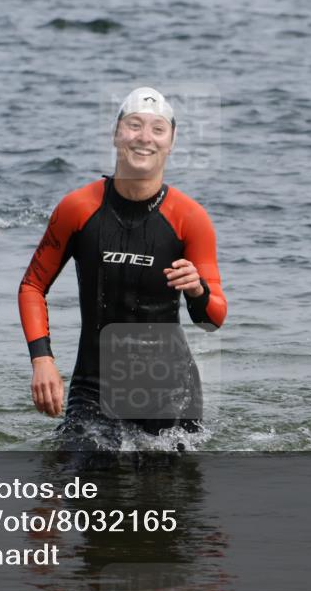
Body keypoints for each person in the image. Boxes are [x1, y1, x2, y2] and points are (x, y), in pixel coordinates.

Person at [18, 87, 227, 442]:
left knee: (168, 479)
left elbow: (213, 319)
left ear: (171, 142)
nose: (145, 137)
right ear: (116, 134)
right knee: (66, 471)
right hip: (93, 388)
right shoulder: (77, 209)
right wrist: (42, 360)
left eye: (158, 129)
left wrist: (198, 290)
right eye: (134, 125)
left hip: (171, 391)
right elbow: (32, 287)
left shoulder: (189, 218)